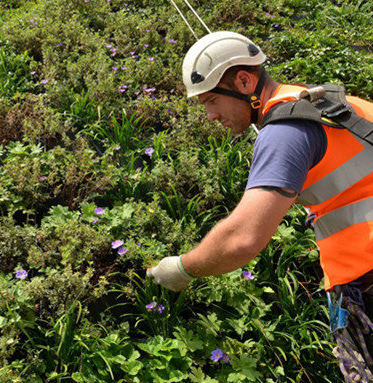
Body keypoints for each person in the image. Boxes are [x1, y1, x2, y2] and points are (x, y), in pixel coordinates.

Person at [146, 30, 373, 380]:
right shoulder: (333, 103)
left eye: (210, 101)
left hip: (365, 276)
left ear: (243, 80)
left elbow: (243, 240)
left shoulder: (285, 131)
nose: (209, 116)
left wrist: (183, 268)